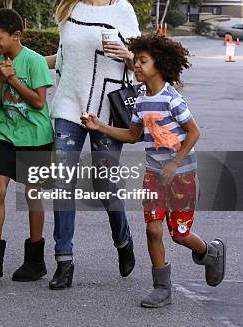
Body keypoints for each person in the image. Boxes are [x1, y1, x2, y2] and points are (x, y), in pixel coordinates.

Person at [81, 34, 226, 308]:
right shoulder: (140, 100)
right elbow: (133, 134)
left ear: (158, 64)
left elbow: (193, 133)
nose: (135, 65)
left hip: (181, 174)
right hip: (153, 174)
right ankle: (162, 288)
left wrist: (175, 163)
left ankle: (211, 252)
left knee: (179, 233)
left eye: (142, 61)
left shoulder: (172, 99)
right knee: (153, 230)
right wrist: (100, 126)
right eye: (135, 60)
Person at [44, 0, 139, 289]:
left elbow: (142, 61)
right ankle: (64, 261)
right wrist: (30, 64)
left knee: (105, 183)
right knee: (63, 183)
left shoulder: (122, 11)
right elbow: (62, 57)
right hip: (69, 104)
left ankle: (123, 239)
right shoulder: (68, 8)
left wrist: (127, 53)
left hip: (107, 109)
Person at [0, 9, 53, 282]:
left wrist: (13, 79)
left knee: (32, 195)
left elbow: (39, 102)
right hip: (7, 134)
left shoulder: (35, 61)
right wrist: (0, 80)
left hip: (37, 137)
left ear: (16, 35)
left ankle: (35, 260)